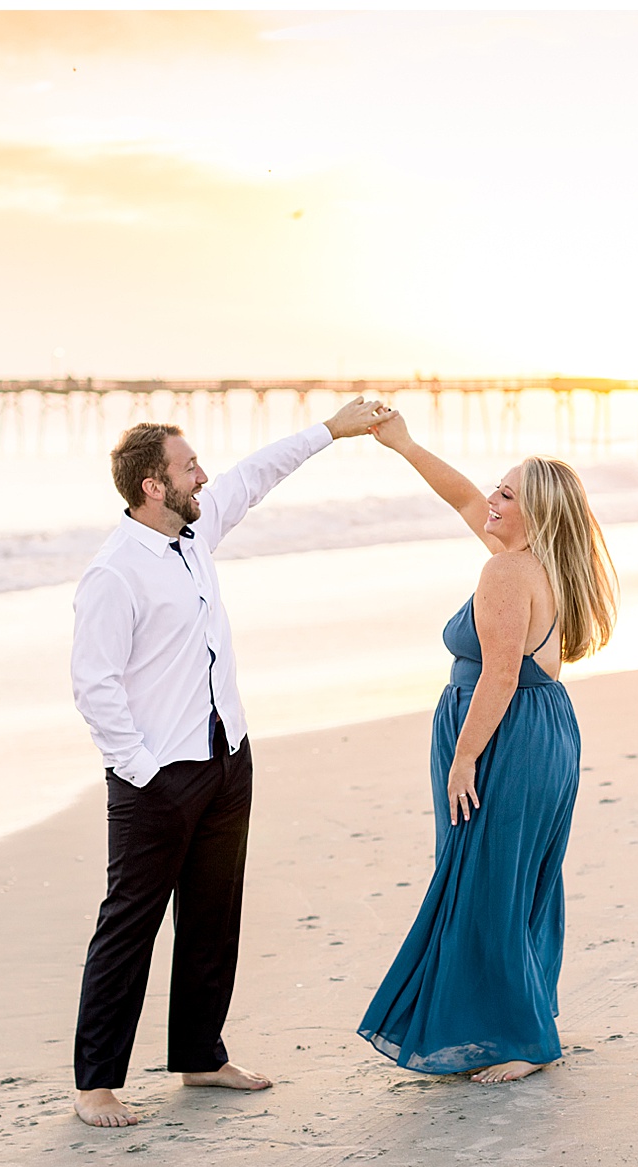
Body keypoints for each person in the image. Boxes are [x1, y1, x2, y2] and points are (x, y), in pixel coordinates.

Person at [70, 395, 392, 1127]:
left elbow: (254, 474)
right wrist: (142, 771)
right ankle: (95, 1084)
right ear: (153, 485)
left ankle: (199, 1057)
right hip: (157, 777)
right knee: (130, 923)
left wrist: (329, 431)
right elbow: (94, 685)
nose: (204, 476)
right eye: (189, 467)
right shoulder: (114, 572)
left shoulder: (195, 531)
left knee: (214, 915)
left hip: (225, 757)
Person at [357, 411, 617, 1084]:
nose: (490, 502)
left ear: (534, 514)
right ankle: (511, 1021)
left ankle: (526, 1039)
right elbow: (464, 497)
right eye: (497, 491)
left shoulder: (504, 573)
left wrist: (466, 755)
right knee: (511, 879)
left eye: (507, 495)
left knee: (485, 880)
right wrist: (405, 445)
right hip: (543, 728)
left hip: (503, 733)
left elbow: (500, 673)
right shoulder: (546, 560)